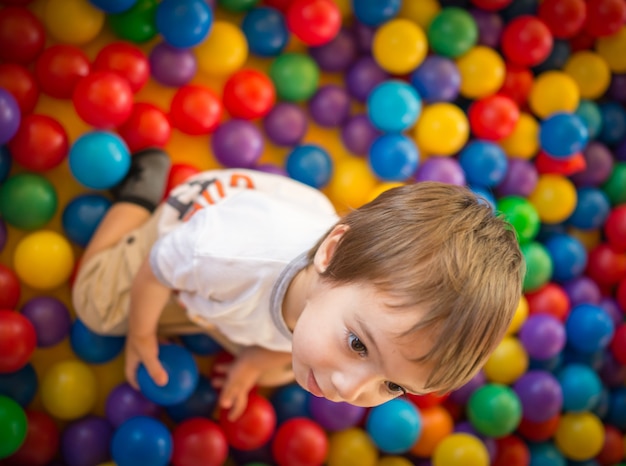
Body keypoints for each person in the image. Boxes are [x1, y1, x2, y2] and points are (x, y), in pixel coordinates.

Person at [72, 148, 525, 420]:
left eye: (393, 387)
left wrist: (253, 361)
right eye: (358, 346)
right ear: (330, 254)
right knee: (96, 305)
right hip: (188, 228)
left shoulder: (350, 305)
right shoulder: (225, 253)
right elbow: (158, 267)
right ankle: (139, 191)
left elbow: (328, 340)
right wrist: (141, 332)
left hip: (285, 279)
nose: (350, 391)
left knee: (281, 365)